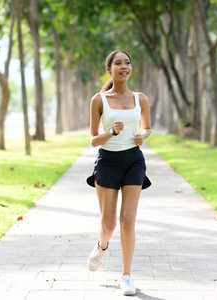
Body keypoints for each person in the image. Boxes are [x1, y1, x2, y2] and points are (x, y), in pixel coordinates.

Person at [86, 50, 151, 296]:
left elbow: (147, 128)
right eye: (118, 63)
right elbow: (93, 140)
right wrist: (111, 133)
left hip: (134, 160)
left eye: (127, 62)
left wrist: (142, 136)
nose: (124, 66)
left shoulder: (140, 98)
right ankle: (102, 246)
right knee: (108, 223)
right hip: (107, 161)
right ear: (109, 69)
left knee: (128, 219)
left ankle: (126, 276)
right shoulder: (98, 100)